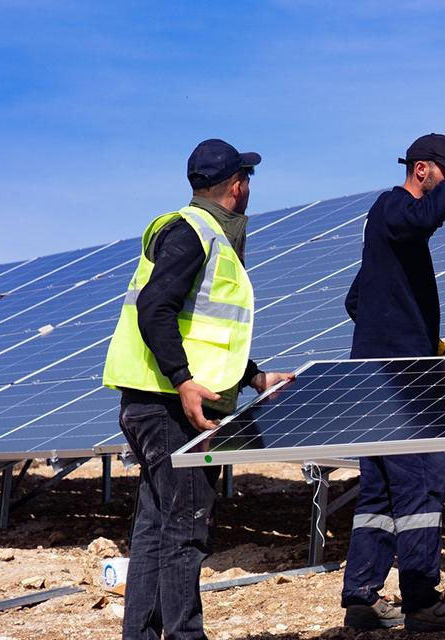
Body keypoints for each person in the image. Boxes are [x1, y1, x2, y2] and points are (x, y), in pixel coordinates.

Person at [102, 138, 295, 639]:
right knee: (185, 527)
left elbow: (202, 328)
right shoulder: (195, 234)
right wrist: (184, 382)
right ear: (237, 186)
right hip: (170, 407)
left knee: (156, 526)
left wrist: (255, 377)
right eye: (247, 179)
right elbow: (155, 308)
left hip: (151, 401)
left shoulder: (198, 232)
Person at [339, 133, 445, 633]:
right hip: (398, 381)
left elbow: (358, 299)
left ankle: (361, 602)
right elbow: (422, 218)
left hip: (379, 375)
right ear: (423, 170)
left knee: (380, 494)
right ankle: (423, 602)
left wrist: (415, 337)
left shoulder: (389, 235)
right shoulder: (394, 207)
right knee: (422, 484)